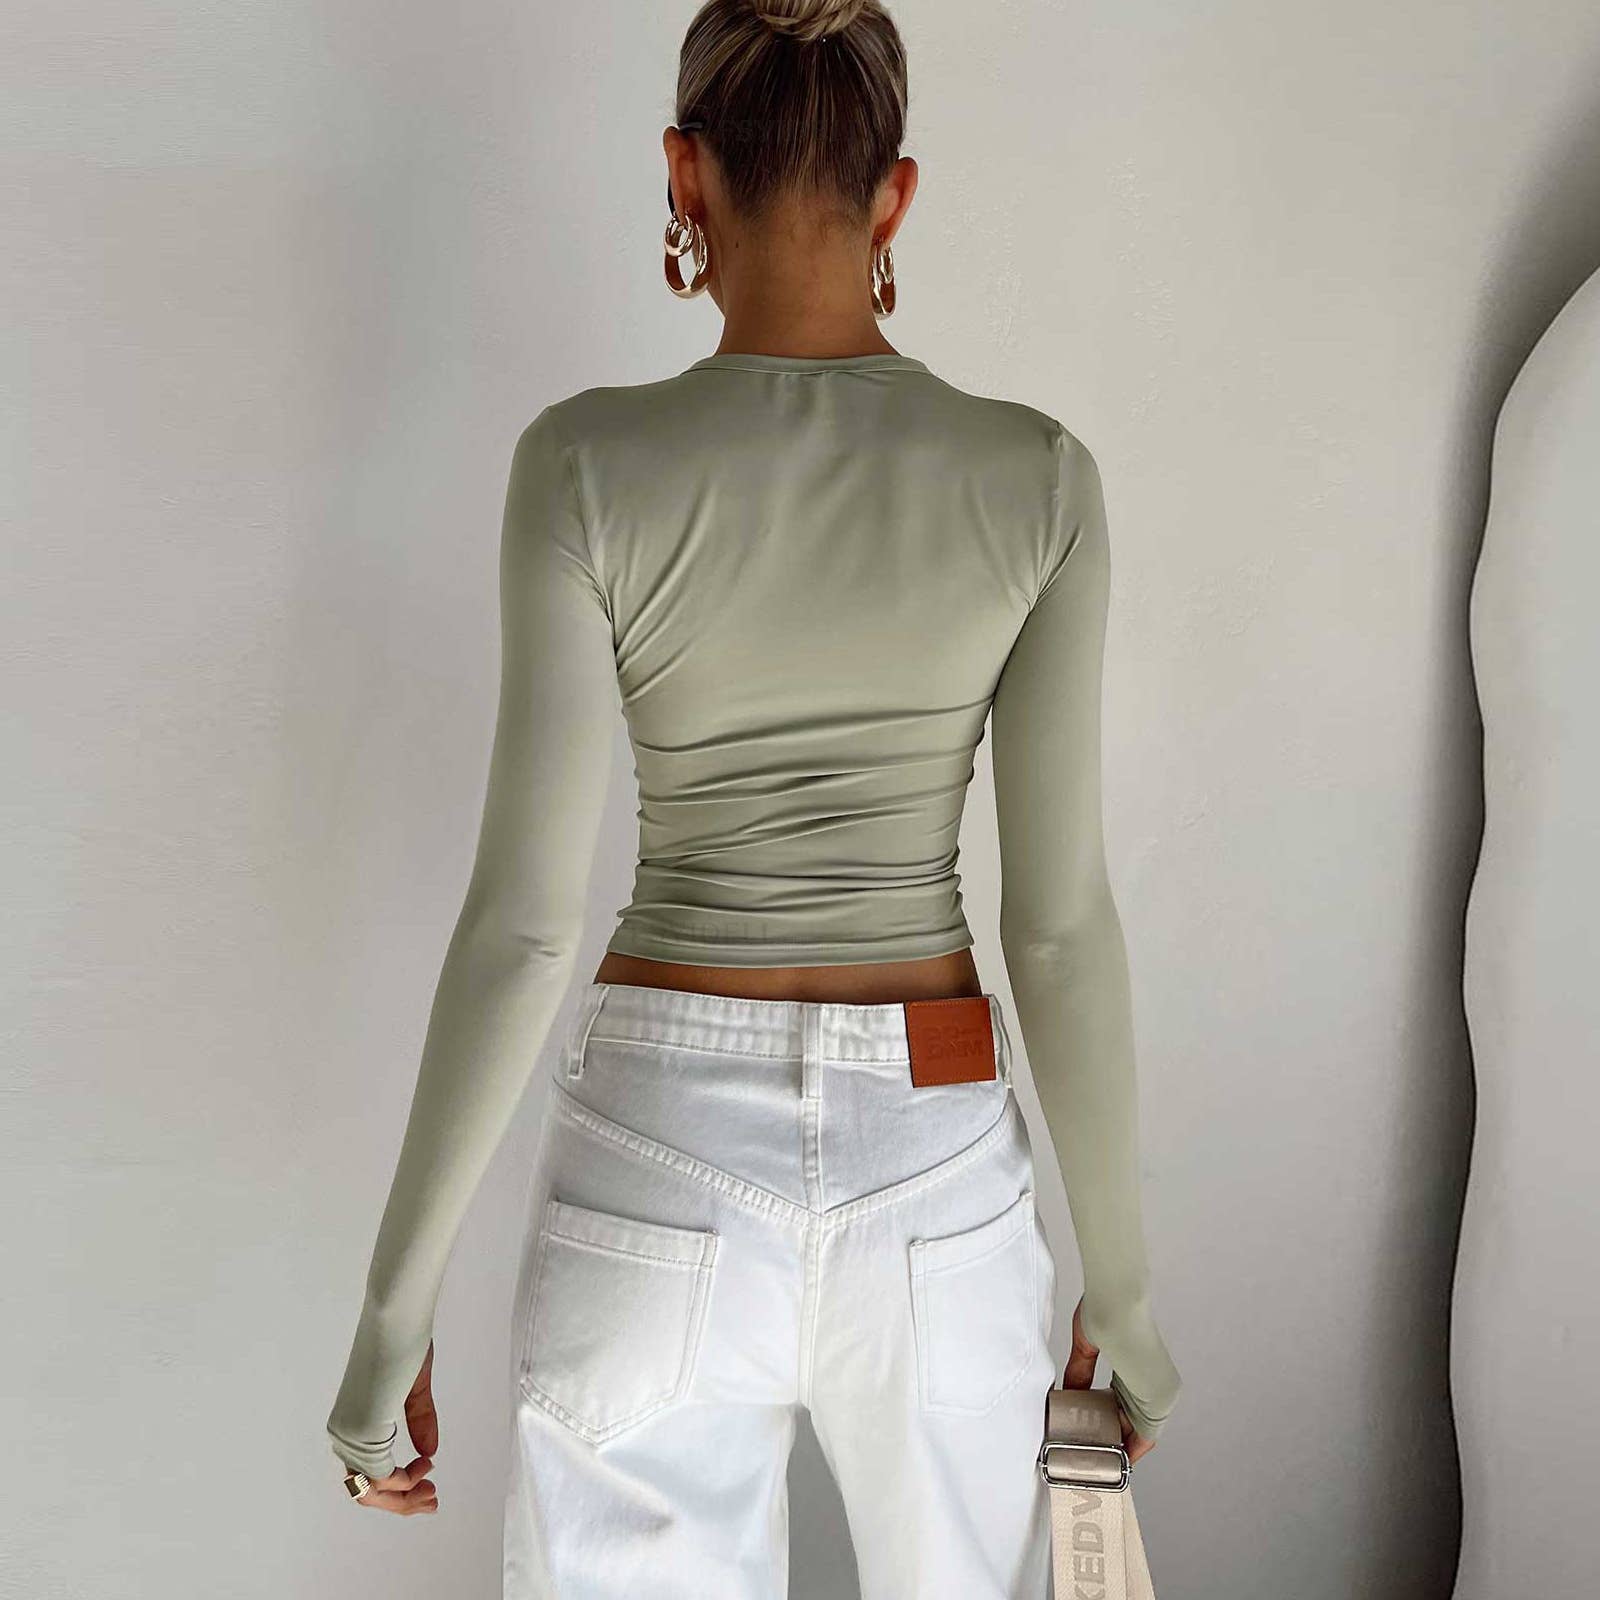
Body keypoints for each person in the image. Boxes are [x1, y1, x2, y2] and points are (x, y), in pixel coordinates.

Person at [324, 0, 1181, 1592]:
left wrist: (393, 1314)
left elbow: (524, 928)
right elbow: (1058, 929)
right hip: (935, 1140)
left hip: (657, 1143)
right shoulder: (1040, 480)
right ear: (893, 195)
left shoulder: (583, 466)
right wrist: (1121, 1291)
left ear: (685, 174)